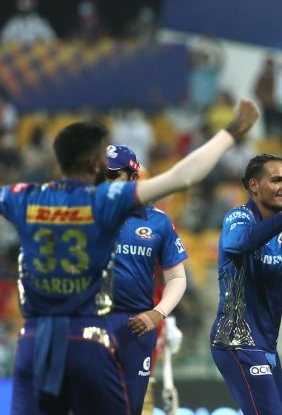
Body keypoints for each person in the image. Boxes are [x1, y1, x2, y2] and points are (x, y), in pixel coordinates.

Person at [7, 99, 259, 414]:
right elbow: (181, 177)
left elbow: (176, 275)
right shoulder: (105, 203)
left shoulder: (30, 197)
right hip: (89, 331)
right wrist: (229, 134)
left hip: (49, 331)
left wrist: (159, 313)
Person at [210, 154, 282, 414]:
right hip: (236, 340)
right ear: (254, 186)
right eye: (275, 180)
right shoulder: (238, 217)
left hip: (266, 343)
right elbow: (238, 243)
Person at [105, 144, 188, 415]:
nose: (106, 182)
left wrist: (158, 313)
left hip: (137, 326)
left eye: (113, 174)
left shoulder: (158, 222)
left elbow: (177, 277)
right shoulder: (83, 216)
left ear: (133, 176)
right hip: (91, 323)